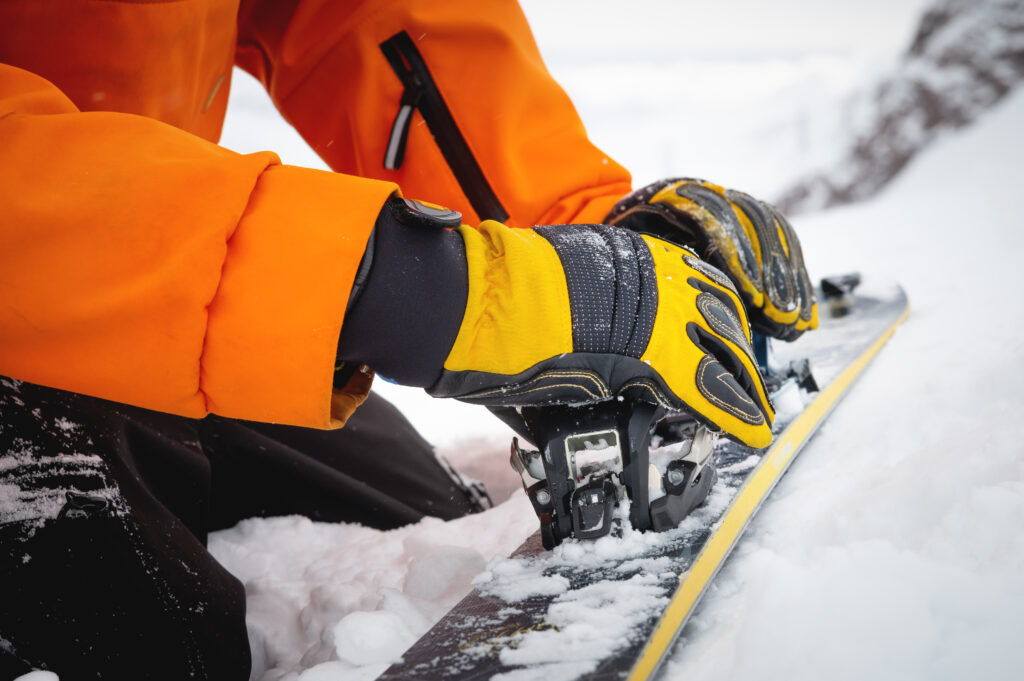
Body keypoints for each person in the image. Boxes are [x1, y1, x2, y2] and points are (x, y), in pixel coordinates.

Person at [0, 1, 817, 678]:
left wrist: (581, 241)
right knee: (139, 637)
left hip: (159, 278)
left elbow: (356, 14)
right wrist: (401, 284)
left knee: (429, 536)